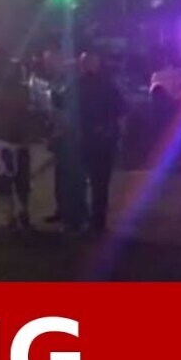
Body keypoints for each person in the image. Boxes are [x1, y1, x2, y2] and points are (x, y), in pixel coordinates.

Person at [0, 60, 35, 230]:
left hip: (4, 143)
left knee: (6, 181)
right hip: (11, 143)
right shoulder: (23, 92)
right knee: (20, 181)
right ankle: (19, 213)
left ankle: (13, 214)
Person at [77, 51, 126, 234]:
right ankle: (98, 220)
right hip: (104, 139)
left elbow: (65, 107)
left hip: (88, 139)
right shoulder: (108, 85)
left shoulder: (79, 85)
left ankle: (89, 218)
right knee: (101, 181)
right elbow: (122, 109)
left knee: (88, 179)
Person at [47, 50, 87, 233]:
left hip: (72, 138)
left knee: (74, 180)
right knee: (61, 178)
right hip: (62, 137)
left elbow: (68, 113)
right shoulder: (61, 85)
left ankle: (75, 217)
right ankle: (63, 211)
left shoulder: (75, 88)